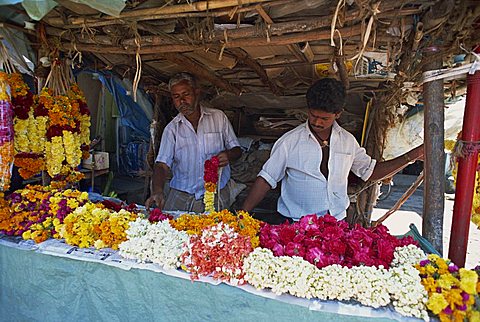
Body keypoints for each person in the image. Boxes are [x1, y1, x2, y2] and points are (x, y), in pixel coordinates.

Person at [242, 78, 423, 221]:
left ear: (338, 114)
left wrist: (411, 156)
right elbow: (266, 179)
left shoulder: (347, 141)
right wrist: (242, 216)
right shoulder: (289, 142)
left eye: (324, 118)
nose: (317, 122)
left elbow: (371, 171)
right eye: (313, 115)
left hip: (336, 223)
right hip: (296, 224)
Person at [145, 72, 242, 212]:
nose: (182, 101)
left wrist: (228, 155)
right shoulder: (172, 129)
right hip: (182, 191)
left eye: (186, 94)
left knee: (214, 231)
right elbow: (162, 164)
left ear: (197, 92)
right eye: (176, 97)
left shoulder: (218, 118)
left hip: (216, 191)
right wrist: (157, 191)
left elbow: (237, 150)